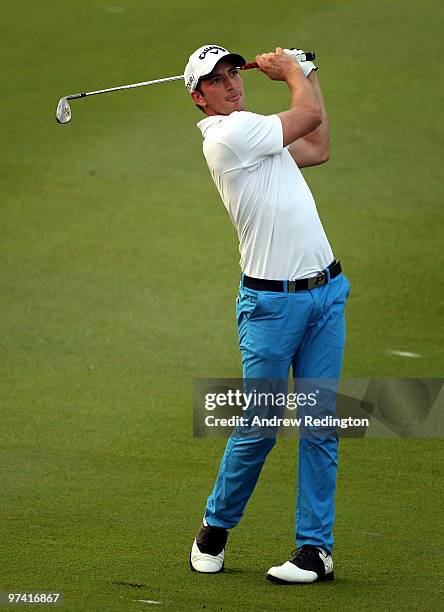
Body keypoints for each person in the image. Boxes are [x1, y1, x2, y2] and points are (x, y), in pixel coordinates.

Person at [185, 44, 350, 584]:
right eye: (217, 80)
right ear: (199, 98)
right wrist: (294, 74)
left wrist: (308, 74)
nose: (232, 83)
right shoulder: (229, 137)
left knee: (320, 423)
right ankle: (215, 526)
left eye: (234, 73)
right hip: (271, 306)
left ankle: (314, 552)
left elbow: (318, 144)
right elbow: (308, 116)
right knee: (258, 425)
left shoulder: (257, 133)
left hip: (326, 292)